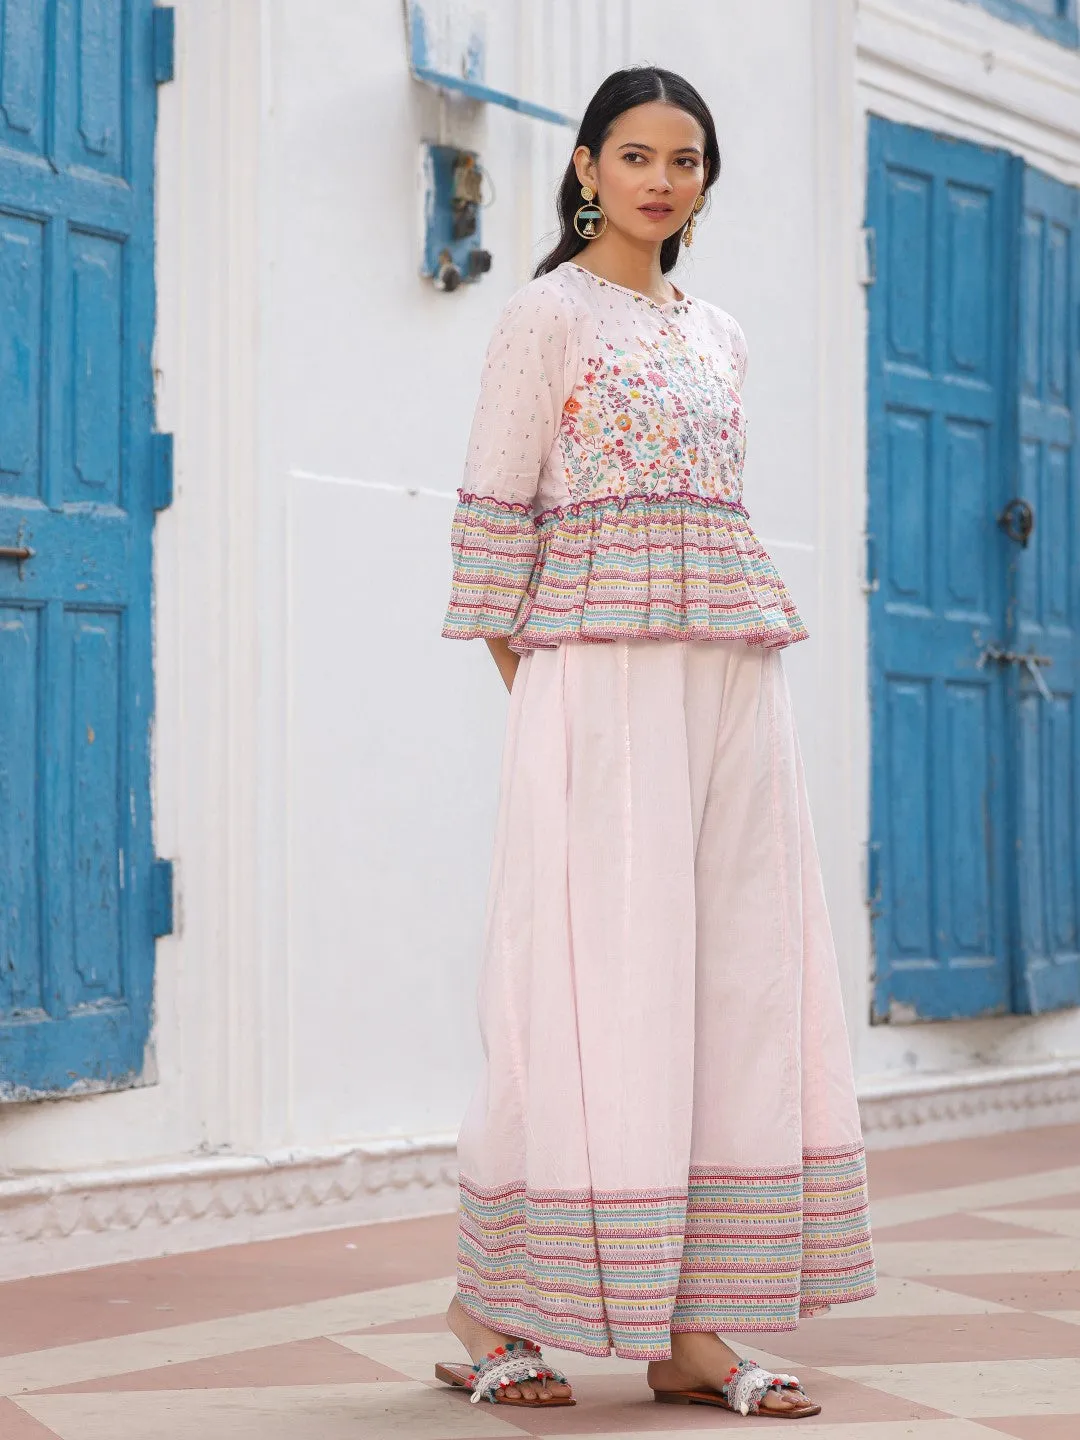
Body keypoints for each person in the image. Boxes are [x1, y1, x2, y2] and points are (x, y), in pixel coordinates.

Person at [434, 65, 875, 1420]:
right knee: (586, 986)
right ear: (585, 167)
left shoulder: (720, 335)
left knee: (733, 981)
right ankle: (487, 1309)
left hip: (732, 689)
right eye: (636, 152)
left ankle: (695, 1327)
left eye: (686, 158)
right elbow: (499, 522)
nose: (662, 177)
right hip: (599, 698)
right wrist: (563, 714)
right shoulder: (543, 318)